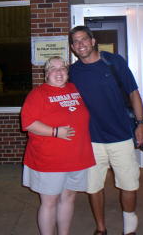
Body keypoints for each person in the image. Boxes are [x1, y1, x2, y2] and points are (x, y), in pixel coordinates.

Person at [68, 26, 143, 235]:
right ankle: (101, 228)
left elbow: (133, 93)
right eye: (75, 42)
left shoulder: (114, 62)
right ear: (73, 48)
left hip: (121, 136)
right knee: (93, 187)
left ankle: (129, 228)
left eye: (84, 39)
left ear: (93, 41)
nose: (80, 44)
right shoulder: (73, 72)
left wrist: (141, 123)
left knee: (128, 184)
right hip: (91, 140)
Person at [21, 56, 96, 235]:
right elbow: (28, 123)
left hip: (77, 157)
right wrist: (55, 131)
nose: (59, 72)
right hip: (49, 160)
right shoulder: (38, 94)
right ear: (46, 74)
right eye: (53, 68)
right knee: (50, 202)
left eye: (62, 68)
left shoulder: (73, 89)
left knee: (69, 198)